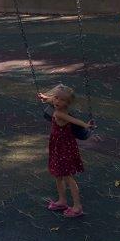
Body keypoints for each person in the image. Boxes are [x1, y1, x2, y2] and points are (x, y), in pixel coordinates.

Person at [37, 84, 94, 218]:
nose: (56, 101)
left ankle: (77, 207)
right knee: (58, 174)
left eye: (61, 100)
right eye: (56, 98)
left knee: (68, 176)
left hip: (64, 148)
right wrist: (46, 98)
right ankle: (62, 200)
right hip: (59, 146)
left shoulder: (59, 113)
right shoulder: (59, 106)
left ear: (67, 103)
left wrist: (86, 125)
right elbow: (52, 100)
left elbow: (73, 120)